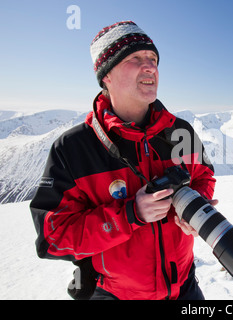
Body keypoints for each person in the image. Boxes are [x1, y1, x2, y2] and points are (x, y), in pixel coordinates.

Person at [30, 21, 216, 300]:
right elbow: (53, 238)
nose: (150, 66)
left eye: (153, 59)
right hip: (115, 294)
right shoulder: (72, 148)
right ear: (106, 75)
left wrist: (191, 207)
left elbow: (203, 177)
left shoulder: (180, 132)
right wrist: (129, 214)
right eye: (135, 58)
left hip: (184, 288)